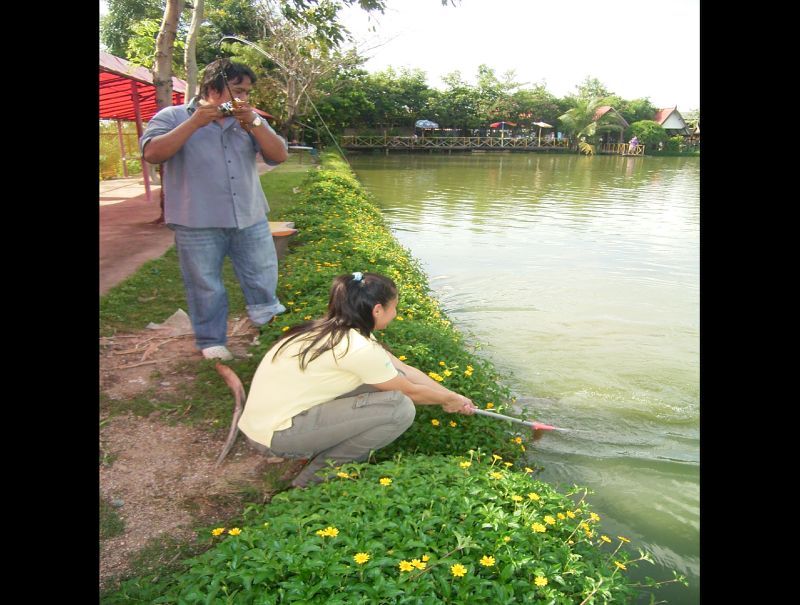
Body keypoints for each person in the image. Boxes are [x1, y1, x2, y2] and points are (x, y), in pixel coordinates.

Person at [238, 272, 478, 488]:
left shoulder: (332, 331)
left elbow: (404, 370)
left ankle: (312, 449)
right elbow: (411, 393)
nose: (395, 313)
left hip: (263, 424)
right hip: (275, 436)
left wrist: (453, 396)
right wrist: (448, 400)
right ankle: (314, 480)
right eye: (394, 307)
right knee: (399, 409)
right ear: (377, 310)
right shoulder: (358, 348)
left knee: (391, 383)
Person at [140, 59, 289, 361]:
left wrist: (255, 123)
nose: (243, 99)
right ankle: (211, 340)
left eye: (247, 92)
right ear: (211, 88)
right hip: (197, 220)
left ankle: (267, 330)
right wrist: (195, 123)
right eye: (237, 91)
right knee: (205, 284)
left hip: (249, 215)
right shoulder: (173, 116)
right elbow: (153, 153)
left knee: (262, 277)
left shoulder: (249, 121)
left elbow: (278, 155)